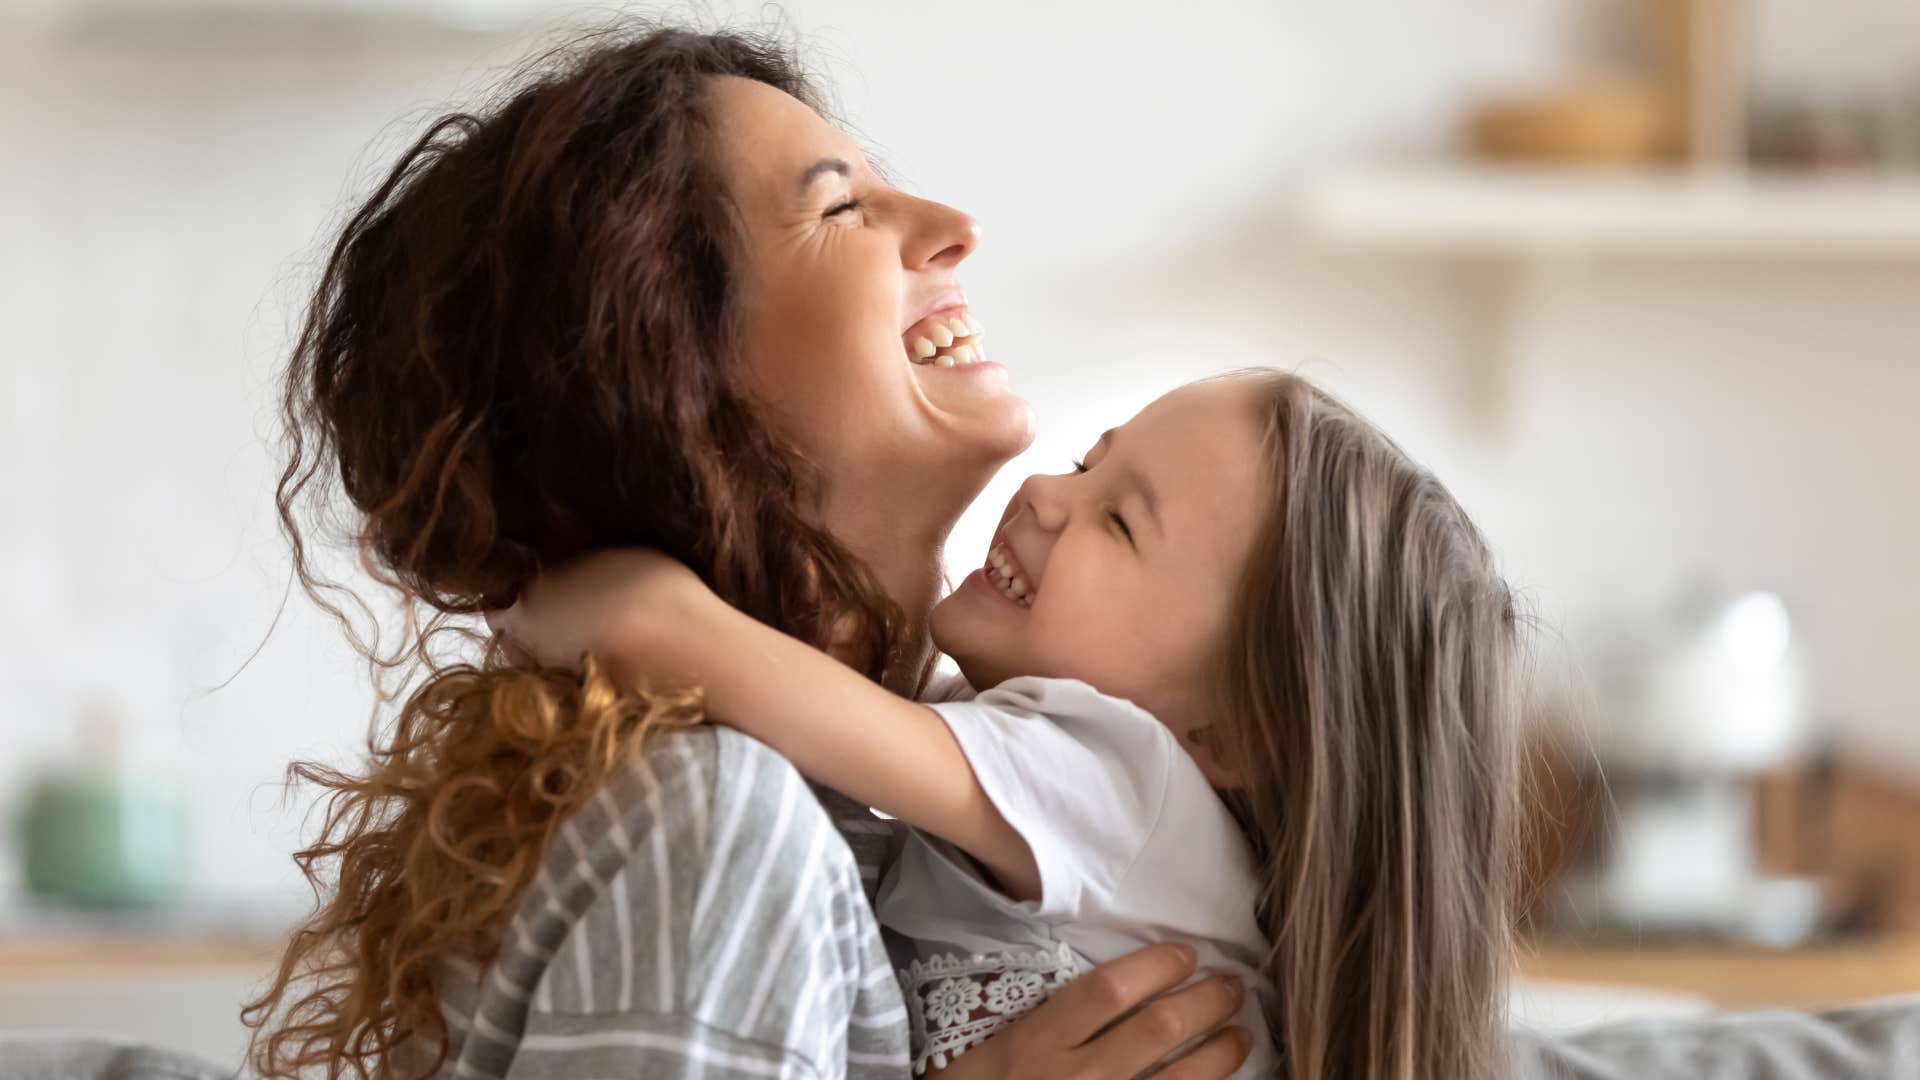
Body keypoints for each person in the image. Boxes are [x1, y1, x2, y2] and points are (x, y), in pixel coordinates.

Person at [243, 23, 1253, 1080]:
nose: (957, 228)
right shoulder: (726, 828)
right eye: (842, 208)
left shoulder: (860, 825)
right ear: (678, 382)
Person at [496, 370, 1523, 1079]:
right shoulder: (1075, 792)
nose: (1041, 492)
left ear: (1231, 736)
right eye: (1085, 463)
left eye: (1120, 523)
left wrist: (519, 580)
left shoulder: (1120, 777)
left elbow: (661, 634)